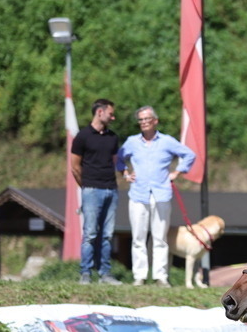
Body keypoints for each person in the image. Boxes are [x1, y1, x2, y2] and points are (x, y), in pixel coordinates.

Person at [116, 106, 197, 287]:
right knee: (138, 237)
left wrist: (177, 172)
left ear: (155, 121)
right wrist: (126, 173)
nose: (144, 122)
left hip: (161, 193)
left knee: (159, 237)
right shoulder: (132, 141)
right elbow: (119, 159)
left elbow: (189, 155)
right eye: (141, 120)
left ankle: (161, 276)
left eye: (147, 119)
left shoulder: (167, 141)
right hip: (138, 193)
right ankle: (140, 276)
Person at [70, 98, 121, 285]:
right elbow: (75, 166)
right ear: (100, 112)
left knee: (107, 234)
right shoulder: (82, 136)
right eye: (110, 113)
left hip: (111, 190)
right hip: (91, 190)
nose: (113, 117)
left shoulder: (113, 137)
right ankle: (85, 272)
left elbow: (115, 162)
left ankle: (105, 274)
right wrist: (87, 186)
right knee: (90, 233)